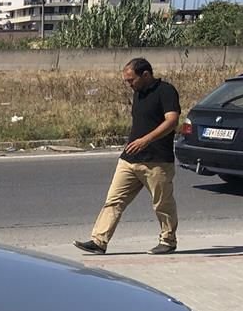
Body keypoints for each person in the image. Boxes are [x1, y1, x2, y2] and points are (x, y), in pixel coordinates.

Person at [74, 58, 182, 255]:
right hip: (129, 159)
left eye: (131, 80)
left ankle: (168, 240)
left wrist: (146, 140)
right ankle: (99, 241)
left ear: (146, 75)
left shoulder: (166, 91)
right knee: (114, 200)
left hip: (157, 161)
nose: (129, 84)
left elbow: (172, 120)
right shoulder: (138, 93)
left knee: (162, 203)